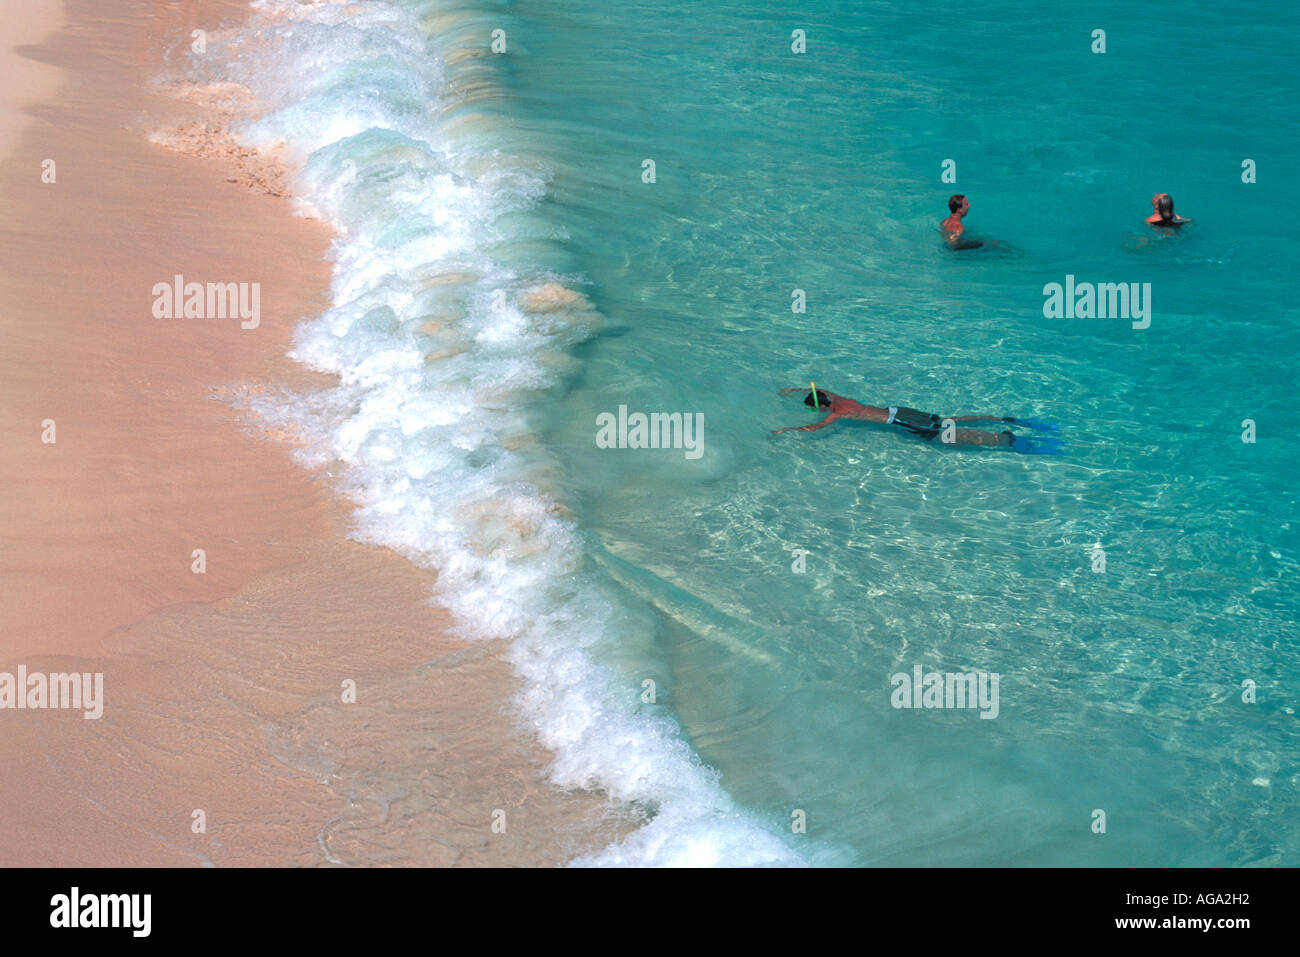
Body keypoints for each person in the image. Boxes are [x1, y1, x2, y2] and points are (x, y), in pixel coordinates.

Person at [773, 388, 1063, 454]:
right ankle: (1004, 418)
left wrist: (788, 429)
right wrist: (794, 391)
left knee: (944, 436)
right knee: (946, 419)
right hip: (901, 409)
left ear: (822, 407)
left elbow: (818, 427)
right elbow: (819, 389)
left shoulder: (838, 413)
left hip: (899, 421)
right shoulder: (840, 399)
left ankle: (1005, 438)